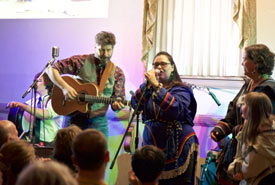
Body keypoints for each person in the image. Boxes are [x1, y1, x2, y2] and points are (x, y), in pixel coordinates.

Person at [130, 51, 199, 185]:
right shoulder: (148, 88)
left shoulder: (182, 89)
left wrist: (157, 86)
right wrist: (147, 85)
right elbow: (135, 104)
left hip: (178, 144)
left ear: (172, 67)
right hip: (152, 144)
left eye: (163, 64)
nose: (159, 67)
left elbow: (176, 109)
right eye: (155, 65)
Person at [210, 44, 275, 185]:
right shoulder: (249, 83)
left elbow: (260, 127)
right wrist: (221, 128)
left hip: (256, 154)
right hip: (241, 148)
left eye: (245, 59)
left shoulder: (268, 89)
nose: (242, 63)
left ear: (256, 63)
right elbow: (234, 108)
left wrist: (236, 130)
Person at [48, 31, 126, 140]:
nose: (105, 54)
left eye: (109, 50)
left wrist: (117, 106)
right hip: (73, 118)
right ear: (95, 47)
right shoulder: (82, 61)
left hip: (98, 121)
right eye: (101, 50)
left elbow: (116, 101)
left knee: (99, 156)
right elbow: (52, 69)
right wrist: (65, 87)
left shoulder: (118, 73)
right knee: (66, 154)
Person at [227, 92, 275, 185]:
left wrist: (234, 169)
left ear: (252, 109)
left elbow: (250, 166)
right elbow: (241, 156)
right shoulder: (249, 128)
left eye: (244, 104)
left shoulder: (265, 137)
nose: (241, 107)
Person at [7, 72, 64, 147]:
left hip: (50, 142)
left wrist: (22, 105)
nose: (35, 83)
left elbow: (45, 114)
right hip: (33, 141)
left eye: (39, 80)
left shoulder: (55, 101)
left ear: (48, 83)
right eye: (35, 80)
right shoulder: (33, 101)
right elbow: (25, 114)